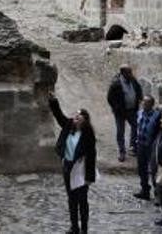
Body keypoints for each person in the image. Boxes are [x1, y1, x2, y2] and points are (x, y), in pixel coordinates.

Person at [48, 94, 97, 234]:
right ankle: (74, 227)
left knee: (82, 200)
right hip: (68, 167)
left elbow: (92, 157)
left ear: (85, 119)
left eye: (79, 115)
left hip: (80, 170)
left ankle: (84, 229)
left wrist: (89, 177)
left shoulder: (88, 135)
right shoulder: (69, 125)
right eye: (75, 114)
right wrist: (53, 101)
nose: (76, 116)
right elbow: (59, 116)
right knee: (71, 199)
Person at [107, 64, 143, 162]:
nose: (131, 74)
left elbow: (138, 89)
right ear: (122, 73)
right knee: (120, 131)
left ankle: (133, 146)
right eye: (128, 72)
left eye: (131, 72)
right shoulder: (116, 83)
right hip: (120, 112)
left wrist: (140, 98)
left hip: (131, 110)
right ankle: (122, 151)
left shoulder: (133, 80)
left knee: (135, 126)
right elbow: (110, 98)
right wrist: (116, 108)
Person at [134, 95, 162, 201]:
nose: (144, 104)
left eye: (147, 103)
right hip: (141, 144)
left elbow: (159, 131)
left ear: (152, 104)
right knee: (141, 169)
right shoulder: (140, 113)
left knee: (154, 170)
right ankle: (145, 190)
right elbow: (137, 127)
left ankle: (158, 194)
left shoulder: (157, 115)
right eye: (143, 102)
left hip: (152, 145)